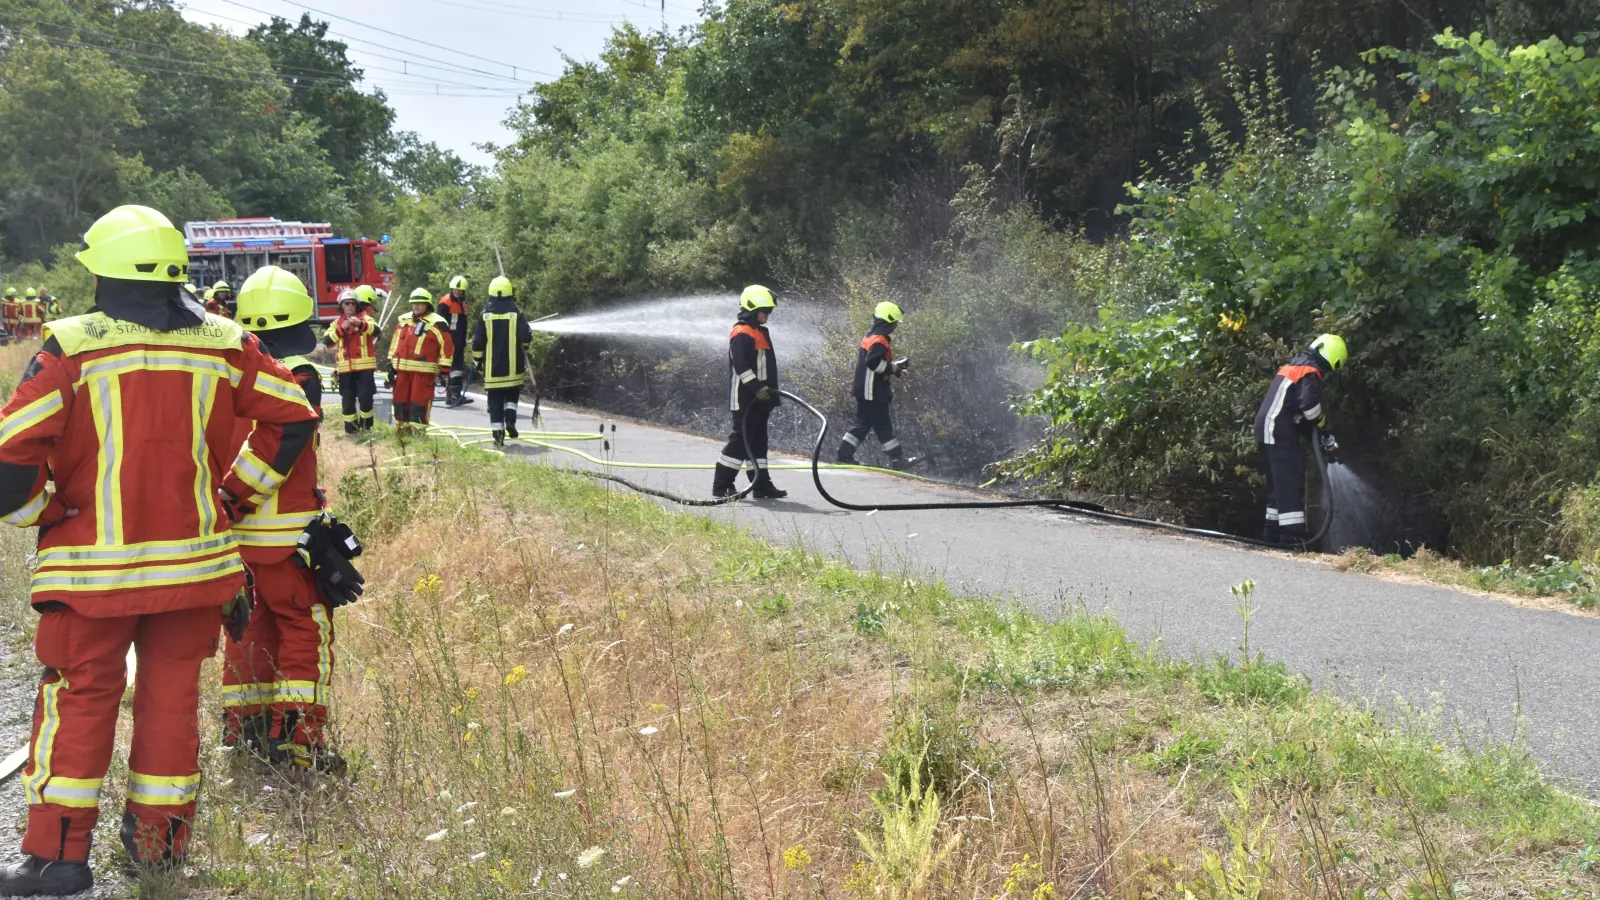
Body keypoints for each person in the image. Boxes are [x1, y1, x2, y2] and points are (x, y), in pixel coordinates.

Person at [0, 205, 318, 893]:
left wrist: (46, 513)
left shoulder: (72, 344)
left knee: (80, 701)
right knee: (170, 707)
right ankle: (159, 852)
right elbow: (292, 417)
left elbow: (11, 457)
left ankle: (57, 860)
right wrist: (233, 497)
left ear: (104, 274)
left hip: (91, 577)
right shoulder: (226, 340)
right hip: (195, 573)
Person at [224, 265, 362, 772]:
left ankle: (244, 730)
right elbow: (283, 444)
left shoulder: (231, 374)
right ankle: (298, 744)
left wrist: (227, 504)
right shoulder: (297, 377)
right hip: (283, 538)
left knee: (249, 630)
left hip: (238, 542)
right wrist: (241, 495)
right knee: (306, 631)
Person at [1254, 334, 1347, 546]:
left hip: (1266, 429)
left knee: (1277, 485)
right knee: (1290, 482)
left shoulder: (1293, 367)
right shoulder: (1311, 372)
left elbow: (1294, 412)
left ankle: (1272, 535)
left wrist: (1320, 436)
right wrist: (1324, 428)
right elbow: (1309, 407)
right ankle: (1290, 538)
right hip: (1278, 430)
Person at [711, 285, 786, 499]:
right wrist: (758, 389)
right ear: (753, 308)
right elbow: (742, 368)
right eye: (765, 311)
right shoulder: (742, 333)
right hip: (746, 399)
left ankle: (761, 485)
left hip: (762, 398)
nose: (768, 315)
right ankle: (722, 486)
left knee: (758, 442)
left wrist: (770, 393)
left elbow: (765, 367)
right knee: (740, 441)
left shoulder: (760, 331)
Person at [837, 301, 908, 469]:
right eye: (894, 323)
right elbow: (873, 363)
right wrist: (894, 367)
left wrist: (896, 370)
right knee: (882, 423)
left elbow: (879, 364)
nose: (895, 326)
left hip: (866, 390)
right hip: (872, 392)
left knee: (863, 423)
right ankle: (897, 459)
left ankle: (844, 454)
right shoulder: (879, 341)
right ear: (887, 322)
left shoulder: (872, 336)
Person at [469, 275, 533, 447]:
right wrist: (525, 346)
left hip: (493, 370)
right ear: (509, 293)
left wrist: (477, 361)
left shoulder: (485, 315)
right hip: (514, 369)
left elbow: (477, 343)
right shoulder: (516, 313)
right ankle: (511, 420)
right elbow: (526, 337)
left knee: (495, 402)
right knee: (512, 394)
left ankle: (498, 437)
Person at [387, 287, 453, 431]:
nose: (416, 306)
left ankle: (417, 435)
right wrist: (390, 365)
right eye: (414, 303)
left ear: (427, 305)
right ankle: (402, 433)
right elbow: (395, 343)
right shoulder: (404, 320)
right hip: (402, 372)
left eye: (420, 303)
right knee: (400, 402)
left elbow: (446, 346)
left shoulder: (437, 323)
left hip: (423, 374)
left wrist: (444, 369)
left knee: (419, 404)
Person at [323, 288, 379, 434]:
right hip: (345, 369)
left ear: (357, 305)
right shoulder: (336, 323)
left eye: (353, 303)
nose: (350, 306)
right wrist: (342, 328)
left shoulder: (365, 319)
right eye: (346, 303)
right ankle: (351, 430)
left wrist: (360, 325)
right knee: (347, 402)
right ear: (342, 305)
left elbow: (377, 331)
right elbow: (328, 341)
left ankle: (367, 427)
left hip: (365, 368)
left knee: (365, 398)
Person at [437, 275, 472, 407]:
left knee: (457, 370)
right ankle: (451, 397)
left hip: (458, 342)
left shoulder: (462, 303)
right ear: (452, 289)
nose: (457, 292)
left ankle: (455, 396)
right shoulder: (445, 302)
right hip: (449, 342)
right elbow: (440, 323)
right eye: (456, 289)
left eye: (460, 290)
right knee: (452, 368)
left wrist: (463, 340)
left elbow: (462, 324)